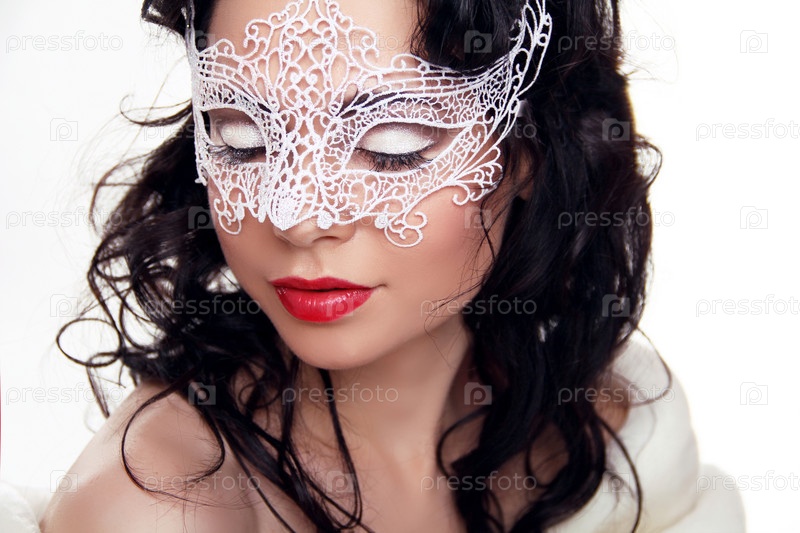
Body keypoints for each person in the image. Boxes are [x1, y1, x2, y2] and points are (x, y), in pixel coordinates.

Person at [33, 0, 744, 531]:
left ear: (524, 155)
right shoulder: (164, 505)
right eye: (244, 139)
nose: (299, 216)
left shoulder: (609, 433)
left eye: (392, 145)